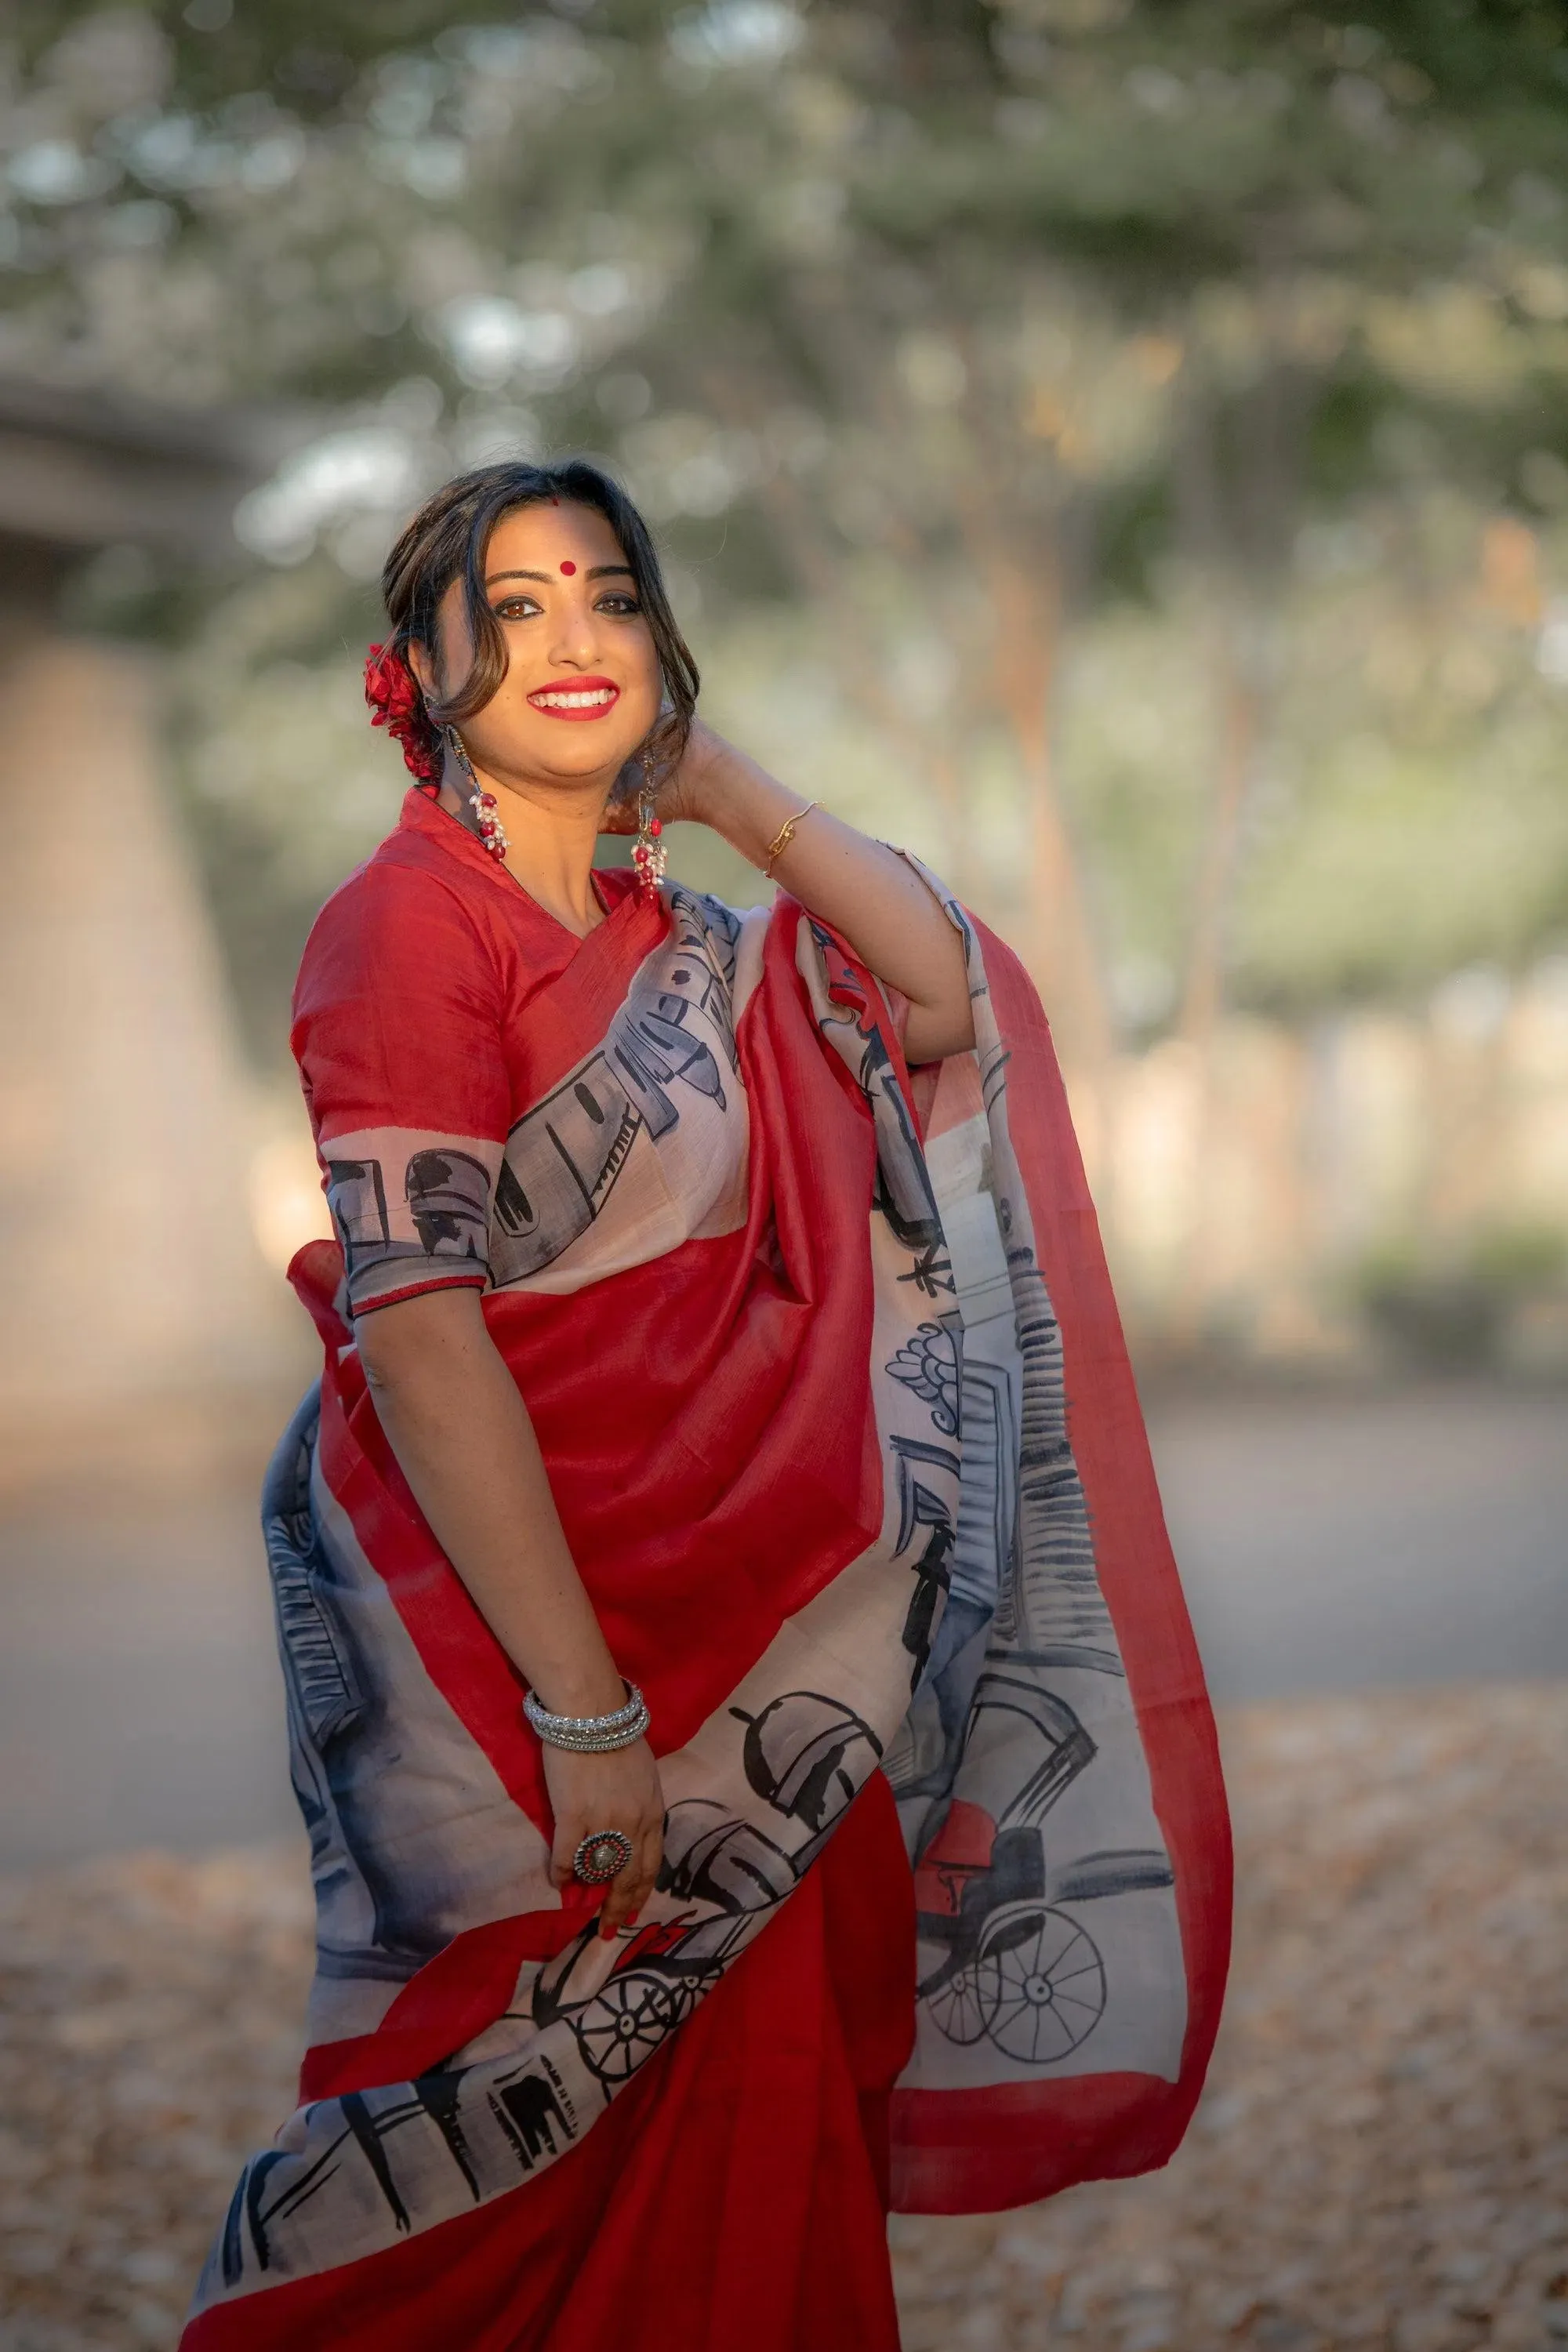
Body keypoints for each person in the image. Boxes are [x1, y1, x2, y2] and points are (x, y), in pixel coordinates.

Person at [181, 459, 1229, 2352]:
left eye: (609, 596)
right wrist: (584, 1709)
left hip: (777, 1641)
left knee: (759, 2137)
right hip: (526, 1654)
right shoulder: (408, 931)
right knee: (479, 2169)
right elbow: (423, 1339)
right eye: (512, 607)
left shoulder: (703, 958)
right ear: (413, 669)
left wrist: (729, 790)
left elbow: (945, 1002)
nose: (573, 639)